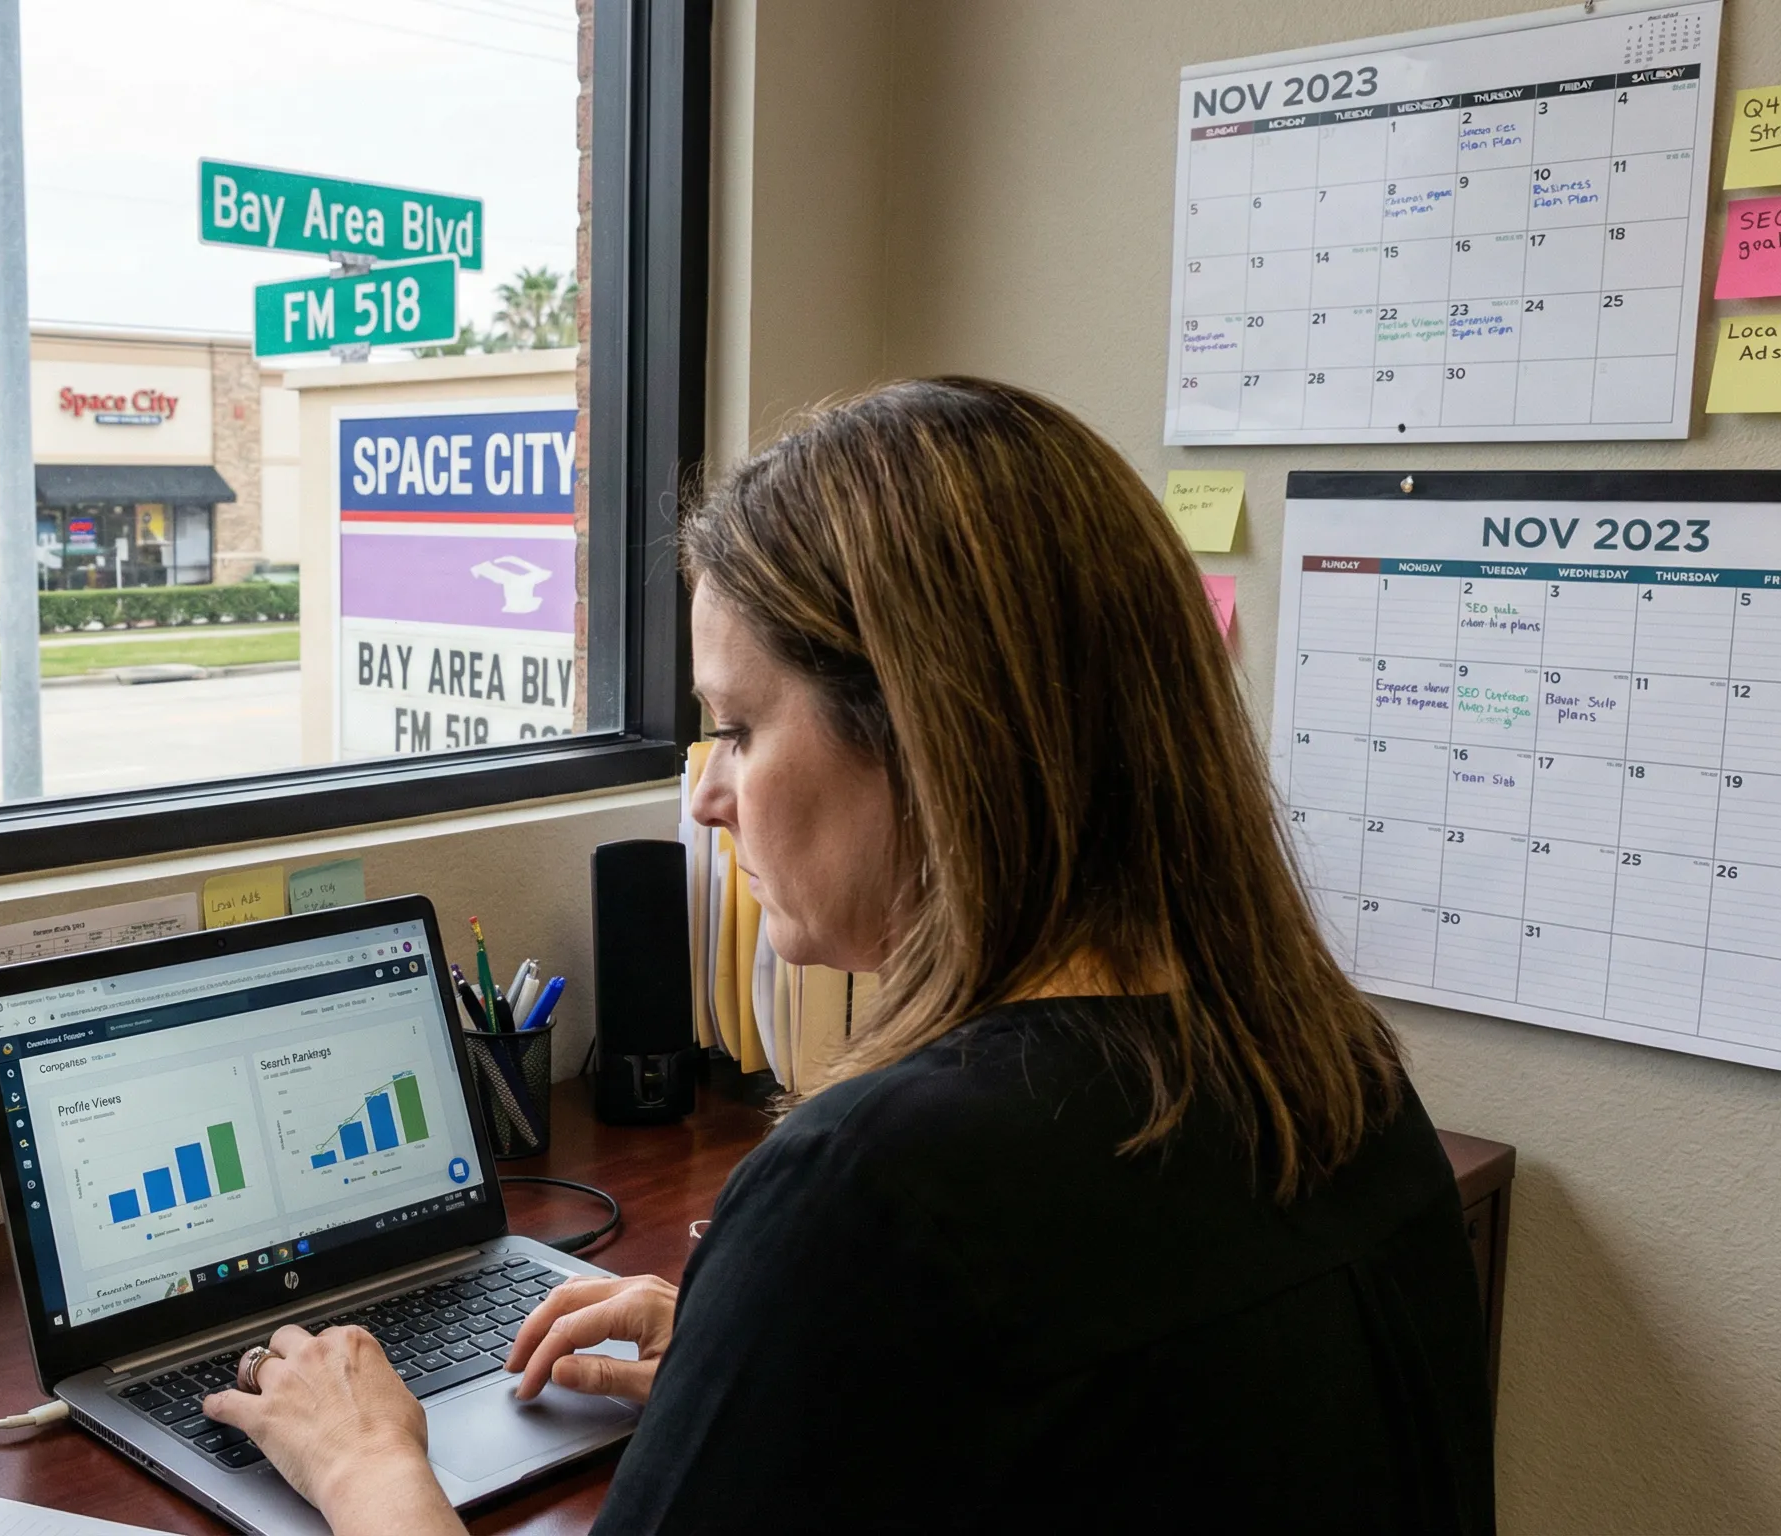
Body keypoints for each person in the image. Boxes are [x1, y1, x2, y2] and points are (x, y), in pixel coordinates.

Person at [200, 378, 1495, 1533]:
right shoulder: (1328, 1074)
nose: (710, 798)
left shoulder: (875, 1190)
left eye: (738, 730)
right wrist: (764, 1360)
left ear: (925, 736)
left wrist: (367, 1467)